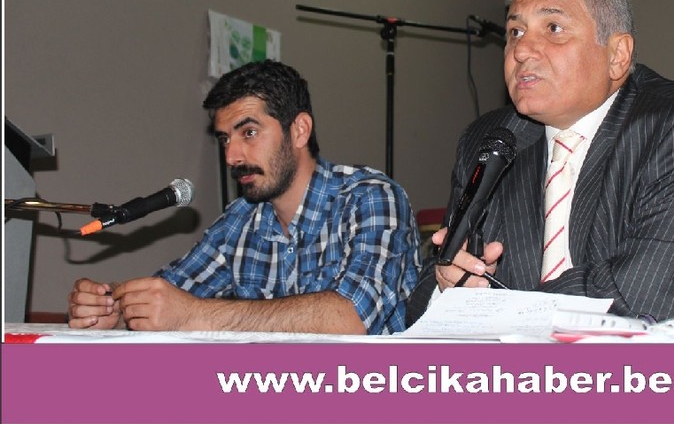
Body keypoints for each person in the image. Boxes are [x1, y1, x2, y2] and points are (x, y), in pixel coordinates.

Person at [406, 0, 674, 325]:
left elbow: (648, 297)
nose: (521, 51)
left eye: (553, 28)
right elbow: (421, 299)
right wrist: (449, 287)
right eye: (515, 32)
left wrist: (493, 310)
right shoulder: (491, 140)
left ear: (617, 55)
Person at [68, 59, 421, 335]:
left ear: (299, 130)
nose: (231, 156)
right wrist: (111, 307)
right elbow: (170, 294)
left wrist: (194, 314)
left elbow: (352, 318)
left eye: (248, 132)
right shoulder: (240, 219)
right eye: (225, 139)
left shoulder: (371, 198)